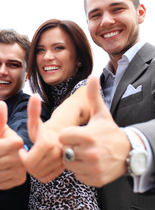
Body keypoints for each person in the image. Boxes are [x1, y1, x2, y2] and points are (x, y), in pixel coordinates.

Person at [56, 0, 155, 209]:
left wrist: (130, 145)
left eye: (117, 9)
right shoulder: (92, 87)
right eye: (95, 15)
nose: (106, 21)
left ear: (140, 13)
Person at [20, 19, 98, 209]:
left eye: (58, 48)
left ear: (79, 58)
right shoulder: (46, 105)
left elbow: (72, 111)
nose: (47, 56)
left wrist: (49, 133)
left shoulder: (85, 90)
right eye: (40, 50)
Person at [0, 29, 49, 209]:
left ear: (27, 74)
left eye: (13, 64)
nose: (2, 71)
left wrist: (18, 149)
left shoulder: (32, 109)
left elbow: (24, 134)